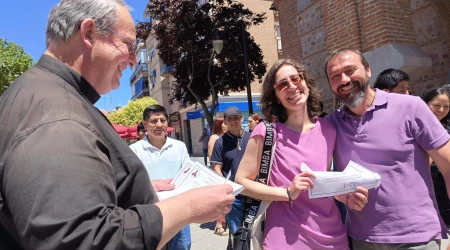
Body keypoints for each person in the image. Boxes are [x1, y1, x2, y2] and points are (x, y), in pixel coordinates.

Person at [0, 1, 235, 249]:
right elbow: (83, 239)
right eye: (129, 45)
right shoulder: (57, 116)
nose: (134, 60)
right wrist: (188, 207)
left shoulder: (48, 96)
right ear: (89, 33)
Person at [324, 48, 450, 249]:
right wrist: (338, 193)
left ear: (368, 70)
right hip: (361, 239)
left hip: (417, 238)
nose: (344, 80)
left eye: (350, 70)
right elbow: (321, 176)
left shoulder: (411, 106)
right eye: (335, 76)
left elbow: (448, 165)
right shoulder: (331, 124)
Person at [235, 59, 368, 249]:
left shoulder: (328, 129)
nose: (292, 86)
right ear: (276, 95)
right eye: (282, 84)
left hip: (332, 235)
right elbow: (241, 181)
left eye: (295, 79)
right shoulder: (266, 132)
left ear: (305, 81)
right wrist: (287, 193)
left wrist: (346, 197)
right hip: (285, 237)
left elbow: (322, 183)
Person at [129, 105, 191, 250]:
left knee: (183, 246)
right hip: (151, 213)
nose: (159, 125)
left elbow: (188, 174)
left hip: (179, 209)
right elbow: (133, 183)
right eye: (154, 121)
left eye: (162, 120)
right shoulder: (134, 151)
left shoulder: (179, 147)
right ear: (145, 124)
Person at [211, 107, 250, 235]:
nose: (233, 121)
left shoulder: (252, 139)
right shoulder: (220, 142)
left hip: (254, 194)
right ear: (225, 123)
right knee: (237, 233)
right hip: (234, 196)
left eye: (236, 118)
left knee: (254, 233)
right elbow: (216, 167)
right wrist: (227, 187)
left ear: (242, 119)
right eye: (230, 119)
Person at [422, 88, 450, 249]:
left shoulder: (447, 132)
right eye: (436, 105)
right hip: (424, 199)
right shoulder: (414, 130)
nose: (441, 110)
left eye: (446, 107)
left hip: (444, 195)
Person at [207, 117, 229, 236]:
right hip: (219, 173)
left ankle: (226, 222)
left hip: (229, 172)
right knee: (221, 200)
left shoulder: (229, 137)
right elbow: (212, 157)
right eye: (224, 123)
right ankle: (219, 225)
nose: (227, 125)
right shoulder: (214, 138)